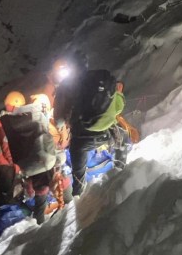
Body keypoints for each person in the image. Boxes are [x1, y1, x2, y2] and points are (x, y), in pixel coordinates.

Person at [55, 51, 129, 197]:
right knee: (123, 138)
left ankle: (78, 196)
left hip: (82, 139)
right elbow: (119, 106)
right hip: (108, 133)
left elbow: (59, 120)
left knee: (78, 172)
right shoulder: (101, 81)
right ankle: (123, 173)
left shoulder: (65, 87)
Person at [0, 93, 62, 224]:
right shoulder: (35, 116)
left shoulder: (7, 124)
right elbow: (49, 138)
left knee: (40, 191)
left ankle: (38, 221)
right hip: (46, 161)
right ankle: (67, 201)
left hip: (26, 166)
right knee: (53, 183)